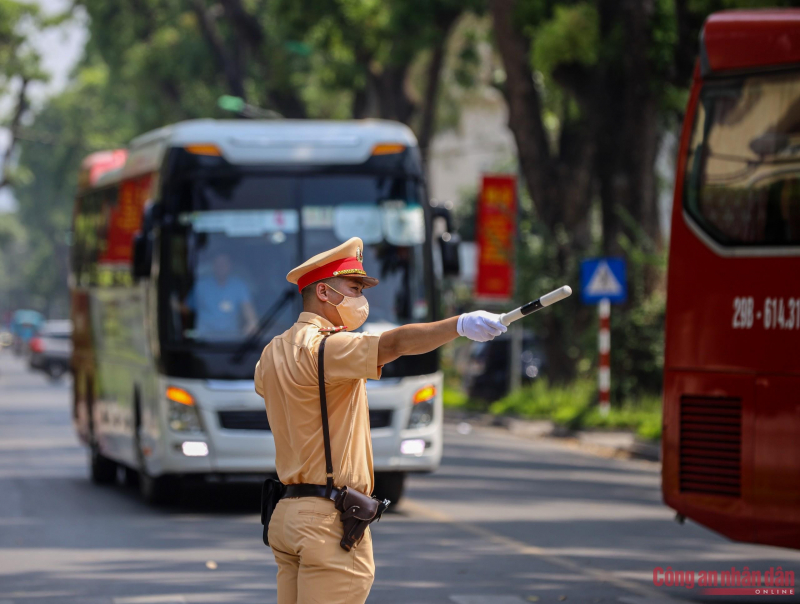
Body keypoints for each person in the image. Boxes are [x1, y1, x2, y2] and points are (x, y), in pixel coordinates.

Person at [254, 237, 507, 604]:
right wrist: (460, 324)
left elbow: (272, 390)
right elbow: (393, 344)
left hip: (287, 517)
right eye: (354, 288)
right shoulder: (326, 347)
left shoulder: (272, 352)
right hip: (328, 522)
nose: (361, 299)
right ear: (323, 292)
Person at [182, 252, 258, 339]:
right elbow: (187, 308)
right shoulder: (201, 286)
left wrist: (252, 323)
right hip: (204, 340)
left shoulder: (239, 286)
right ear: (213, 266)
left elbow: (248, 309)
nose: (221, 267)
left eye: (224, 264)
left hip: (231, 339)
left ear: (230, 266)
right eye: (218, 264)